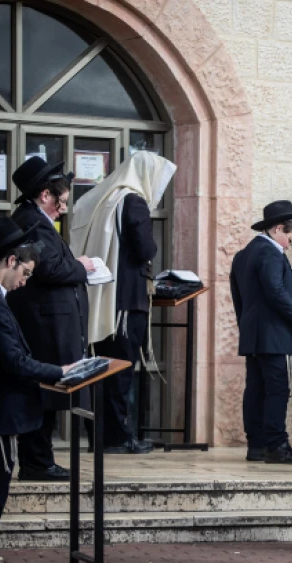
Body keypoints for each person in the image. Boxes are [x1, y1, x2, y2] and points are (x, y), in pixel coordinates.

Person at [0, 218, 73, 563]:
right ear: (11, 260)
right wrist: (60, 372)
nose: (25, 281)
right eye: (26, 272)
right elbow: (15, 362)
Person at [69, 151, 176, 454]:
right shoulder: (134, 201)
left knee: (102, 370)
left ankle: (100, 436)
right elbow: (146, 248)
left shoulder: (106, 198)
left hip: (103, 299)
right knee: (120, 372)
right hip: (126, 302)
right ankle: (117, 438)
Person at [7, 157, 92, 482]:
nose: (64, 208)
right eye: (63, 201)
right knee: (42, 390)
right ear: (46, 195)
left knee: (48, 390)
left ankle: (39, 460)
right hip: (43, 324)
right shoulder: (32, 221)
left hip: (49, 322)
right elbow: (50, 268)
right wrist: (83, 266)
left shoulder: (36, 220)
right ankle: (37, 462)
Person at [229, 200, 292, 464]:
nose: (291, 244)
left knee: (256, 388)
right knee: (276, 389)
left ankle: (257, 444)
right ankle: (276, 445)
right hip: (272, 335)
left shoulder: (244, 254)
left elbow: (238, 298)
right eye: (290, 238)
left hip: (254, 334)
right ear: (277, 229)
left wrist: (246, 327)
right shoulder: (270, 253)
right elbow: (275, 291)